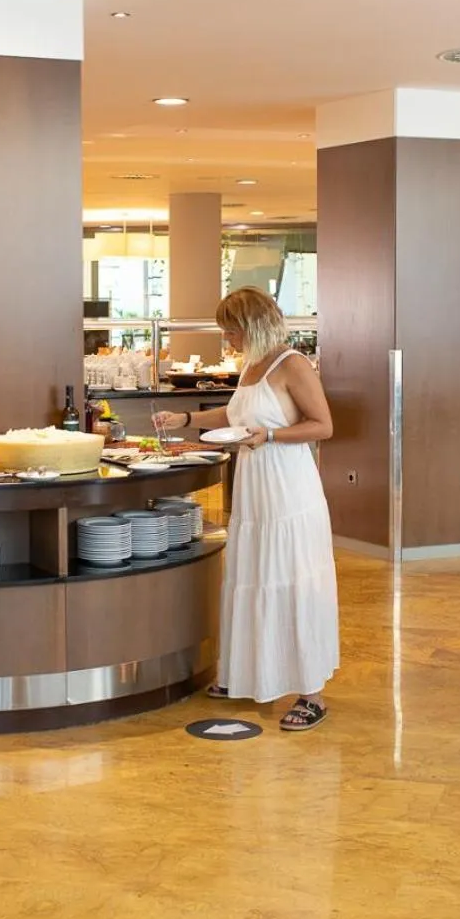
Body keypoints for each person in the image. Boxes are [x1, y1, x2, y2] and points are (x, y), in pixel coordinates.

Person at [153, 287, 339, 731]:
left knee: (291, 577)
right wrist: (185, 420)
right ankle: (251, 672)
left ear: (251, 326)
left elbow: (324, 426)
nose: (228, 342)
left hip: (289, 488)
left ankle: (310, 691)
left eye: (231, 332)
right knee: (254, 574)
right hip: (256, 487)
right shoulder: (251, 366)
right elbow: (237, 415)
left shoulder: (291, 364)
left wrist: (269, 437)